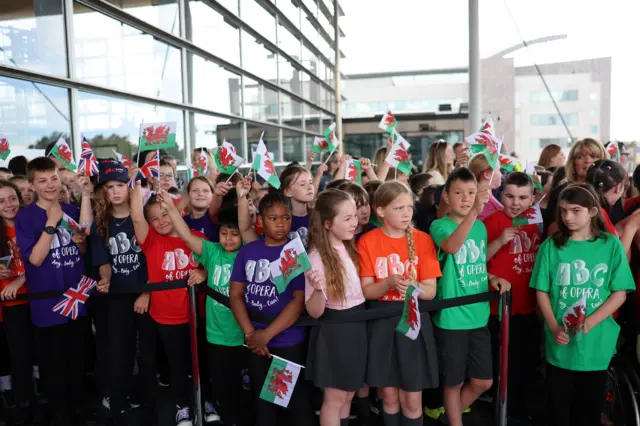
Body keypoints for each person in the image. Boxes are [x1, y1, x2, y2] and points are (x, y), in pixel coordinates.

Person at [530, 183, 635, 426]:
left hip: (596, 343)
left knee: (589, 410)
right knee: (559, 409)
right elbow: (541, 291)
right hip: (560, 343)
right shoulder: (551, 246)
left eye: (575, 210)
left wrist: (590, 322)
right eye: (564, 210)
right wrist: (554, 326)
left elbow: (620, 294)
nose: (568, 217)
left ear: (592, 212)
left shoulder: (610, 245)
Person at [429, 168, 509, 426]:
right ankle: (454, 421)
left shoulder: (481, 229)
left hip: (478, 315)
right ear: (446, 196)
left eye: (472, 193)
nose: (466, 198)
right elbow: (452, 248)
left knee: (483, 381)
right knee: (452, 382)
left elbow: (476, 261)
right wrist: (475, 211)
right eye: (459, 193)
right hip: (451, 318)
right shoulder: (438, 225)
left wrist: (491, 278)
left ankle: (447, 415)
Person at [358, 181, 441, 426]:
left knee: (413, 400)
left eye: (409, 207)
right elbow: (367, 291)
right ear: (380, 211)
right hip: (382, 322)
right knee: (389, 396)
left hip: (413, 324)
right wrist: (389, 283)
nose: (407, 213)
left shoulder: (423, 240)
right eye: (399, 208)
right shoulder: (367, 241)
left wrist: (412, 289)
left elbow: (430, 291)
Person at [15, 157, 92, 424]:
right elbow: (34, 260)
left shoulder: (70, 207)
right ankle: (59, 411)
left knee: (76, 358)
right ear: (32, 185)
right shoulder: (25, 216)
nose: (50, 185)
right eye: (43, 181)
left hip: (75, 297)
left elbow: (80, 249)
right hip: (46, 303)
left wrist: (80, 241)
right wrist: (52, 223)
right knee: (52, 363)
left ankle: (78, 406)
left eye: (54, 179)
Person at [164, 191, 250, 426]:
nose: (229, 239)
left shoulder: (247, 254)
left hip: (244, 334)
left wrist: (243, 198)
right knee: (222, 385)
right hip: (216, 335)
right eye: (224, 233)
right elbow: (184, 234)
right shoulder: (211, 252)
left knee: (244, 386)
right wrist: (171, 209)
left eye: (235, 234)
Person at [229, 191, 314, 426]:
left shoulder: (294, 253)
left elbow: (298, 301)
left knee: (291, 400)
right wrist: (251, 335)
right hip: (255, 342)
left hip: (285, 341)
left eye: (286, 218)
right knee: (263, 400)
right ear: (261, 220)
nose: (281, 224)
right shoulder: (249, 251)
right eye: (273, 218)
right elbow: (235, 295)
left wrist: (266, 335)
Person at [131, 182, 206, 426]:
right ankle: (182, 406)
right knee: (177, 364)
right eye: (154, 218)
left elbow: (214, 262)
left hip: (199, 315)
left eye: (165, 214)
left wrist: (203, 272)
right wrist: (135, 186)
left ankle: (205, 402)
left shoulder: (197, 238)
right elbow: (136, 217)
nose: (161, 221)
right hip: (167, 317)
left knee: (202, 362)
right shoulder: (151, 240)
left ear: (177, 213)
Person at [90, 160, 148, 424]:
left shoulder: (145, 217)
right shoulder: (100, 223)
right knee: (119, 350)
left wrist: (146, 292)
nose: (115, 191)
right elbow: (103, 261)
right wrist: (104, 277)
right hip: (116, 297)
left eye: (120, 185)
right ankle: (118, 397)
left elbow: (153, 257)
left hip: (146, 293)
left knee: (146, 350)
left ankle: (145, 397)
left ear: (130, 187)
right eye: (109, 186)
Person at [304, 189, 367, 426]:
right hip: (335, 330)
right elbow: (314, 311)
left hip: (356, 325)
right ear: (328, 223)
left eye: (355, 216)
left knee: (349, 393)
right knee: (335, 397)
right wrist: (319, 290)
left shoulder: (349, 247)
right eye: (347, 218)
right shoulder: (316, 257)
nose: (355, 222)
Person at [484, 172, 541, 421]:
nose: (515, 203)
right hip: (500, 310)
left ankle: (523, 414)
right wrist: (499, 241)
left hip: (530, 308)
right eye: (509, 196)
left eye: (522, 197)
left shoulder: (536, 221)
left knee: (527, 367)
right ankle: (503, 415)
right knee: (504, 370)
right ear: (501, 195)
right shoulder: (491, 221)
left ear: (532, 199)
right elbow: (476, 262)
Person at [0, 180, 32, 423]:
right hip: (10, 305)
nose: (9, 205)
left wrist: (21, 279)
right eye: (1, 201)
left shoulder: (30, 224)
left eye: (12, 198)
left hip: (39, 298)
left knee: (41, 353)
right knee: (19, 356)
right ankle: (23, 405)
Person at [545, 138, 607, 233]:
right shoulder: (560, 191)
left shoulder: (610, 189)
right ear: (573, 162)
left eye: (594, 156)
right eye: (580, 157)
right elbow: (550, 228)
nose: (587, 161)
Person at [279, 164, 314, 246]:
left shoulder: (319, 216)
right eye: (302, 184)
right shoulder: (281, 222)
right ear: (288, 191)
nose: (310, 187)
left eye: (311, 182)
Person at [467, 153, 503, 221]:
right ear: (486, 174)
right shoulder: (483, 203)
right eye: (498, 170)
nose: (501, 174)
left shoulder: (480, 197)